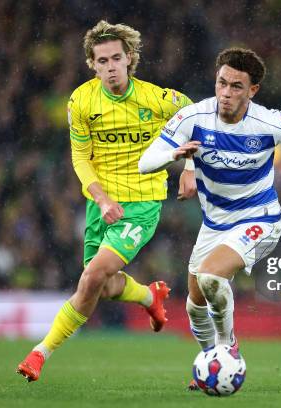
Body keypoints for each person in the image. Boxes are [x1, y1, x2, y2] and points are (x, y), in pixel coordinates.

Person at [138, 47, 281, 389]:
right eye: (222, 83)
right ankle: (212, 361)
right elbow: (146, 161)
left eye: (236, 86)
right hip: (214, 222)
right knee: (194, 305)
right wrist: (175, 156)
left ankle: (228, 347)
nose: (226, 93)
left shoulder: (268, 122)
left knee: (210, 277)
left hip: (259, 219)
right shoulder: (194, 117)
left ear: (253, 91)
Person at [17, 20, 194, 382]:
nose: (111, 67)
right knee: (98, 284)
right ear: (92, 65)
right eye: (103, 61)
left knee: (93, 275)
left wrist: (189, 167)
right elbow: (80, 157)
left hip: (142, 203)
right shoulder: (81, 101)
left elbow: (195, 118)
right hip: (103, 203)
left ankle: (39, 353)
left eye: (117, 58)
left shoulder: (157, 98)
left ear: (129, 59)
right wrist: (100, 198)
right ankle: (149, 296)